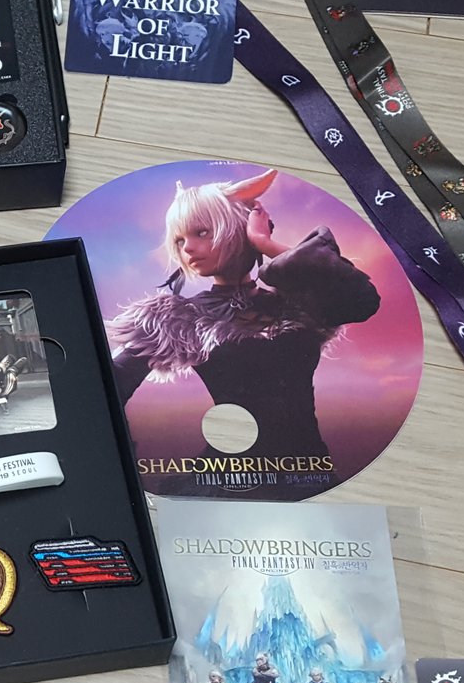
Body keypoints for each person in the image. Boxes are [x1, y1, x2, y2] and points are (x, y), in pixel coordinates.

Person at [106, 172, 381, 490]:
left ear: (239, 228)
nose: (188, 248)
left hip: (309, 472)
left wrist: (265, 243)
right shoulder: (178, 316)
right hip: (228, 479)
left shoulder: (296, 301)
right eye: (179, 240)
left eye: (202, 232)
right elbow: (107, 383)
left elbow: (362, 300)